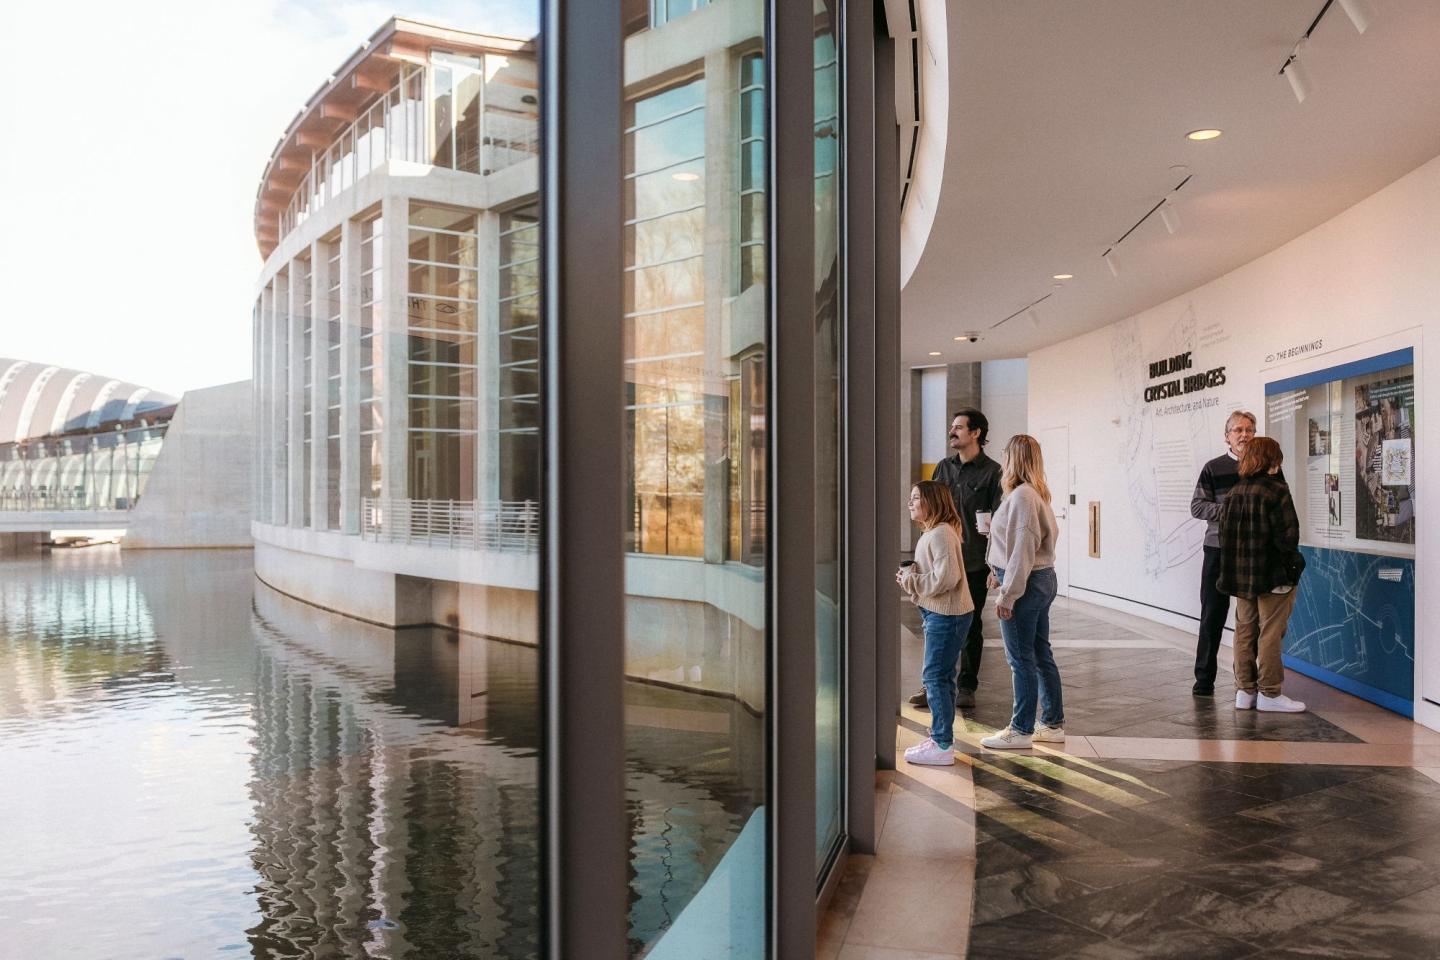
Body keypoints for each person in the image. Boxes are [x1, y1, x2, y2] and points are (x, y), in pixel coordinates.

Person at [908, 408, 1003, 711]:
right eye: (952, 427)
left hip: (973, 561)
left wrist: (994, 564)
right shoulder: (943, 469)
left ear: (976, 433)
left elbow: (999, 522)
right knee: (934, 624)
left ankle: (966, 686)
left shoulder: (993, 472)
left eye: (959, 427)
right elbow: (930, 510)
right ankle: (934, 683)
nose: (953, 432)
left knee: (970, 626)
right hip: (939, 558)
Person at [979, 435, 1063, 750]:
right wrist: (997, 570)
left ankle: (1021, 729)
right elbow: (1023, 546)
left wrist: (1009, 593)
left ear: (1013, 458)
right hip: (1038, 579)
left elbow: (1024, 549)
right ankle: (1052, 723)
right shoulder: (1034, 494)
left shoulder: (1024, 496)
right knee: (1040, 653)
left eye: (1005, 454)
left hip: (1027, 584)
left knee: (1021, 658)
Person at [1215, 436, 1307, 713]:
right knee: (1270, 633)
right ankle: (1269, 692)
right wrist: (1294, 566)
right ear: (1270, 461)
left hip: (1243, 578)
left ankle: (1245, 691)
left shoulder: (1234, 492)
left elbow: (1224, 538)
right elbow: (1288, 538)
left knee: (1244, 631)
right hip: (1274, 577)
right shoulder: (1277, 491)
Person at [897, 480, 976, 765]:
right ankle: (941, 737)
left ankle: (942, 744)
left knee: (933, 677)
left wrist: (913, 580)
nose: (910, 503)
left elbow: (947, 577)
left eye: (916, 497)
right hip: (943, 613)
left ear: (932, 502)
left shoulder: (941, 533)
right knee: (941, 677)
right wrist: (913, 578)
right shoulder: (936, 532)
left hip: (947, 615)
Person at [1189, 410, 1257, 696]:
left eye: (1249, 430)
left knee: (1251, 619)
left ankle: (1248, 684)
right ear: (1227, 435)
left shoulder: (1263, 468)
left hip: (1253, 553)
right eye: (1238, 430)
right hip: (1218, 551)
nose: (1244, 435)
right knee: (1212, 616)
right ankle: (1204, 680)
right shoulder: (1213, 468)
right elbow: (1197, 507)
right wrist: (1231, 509)